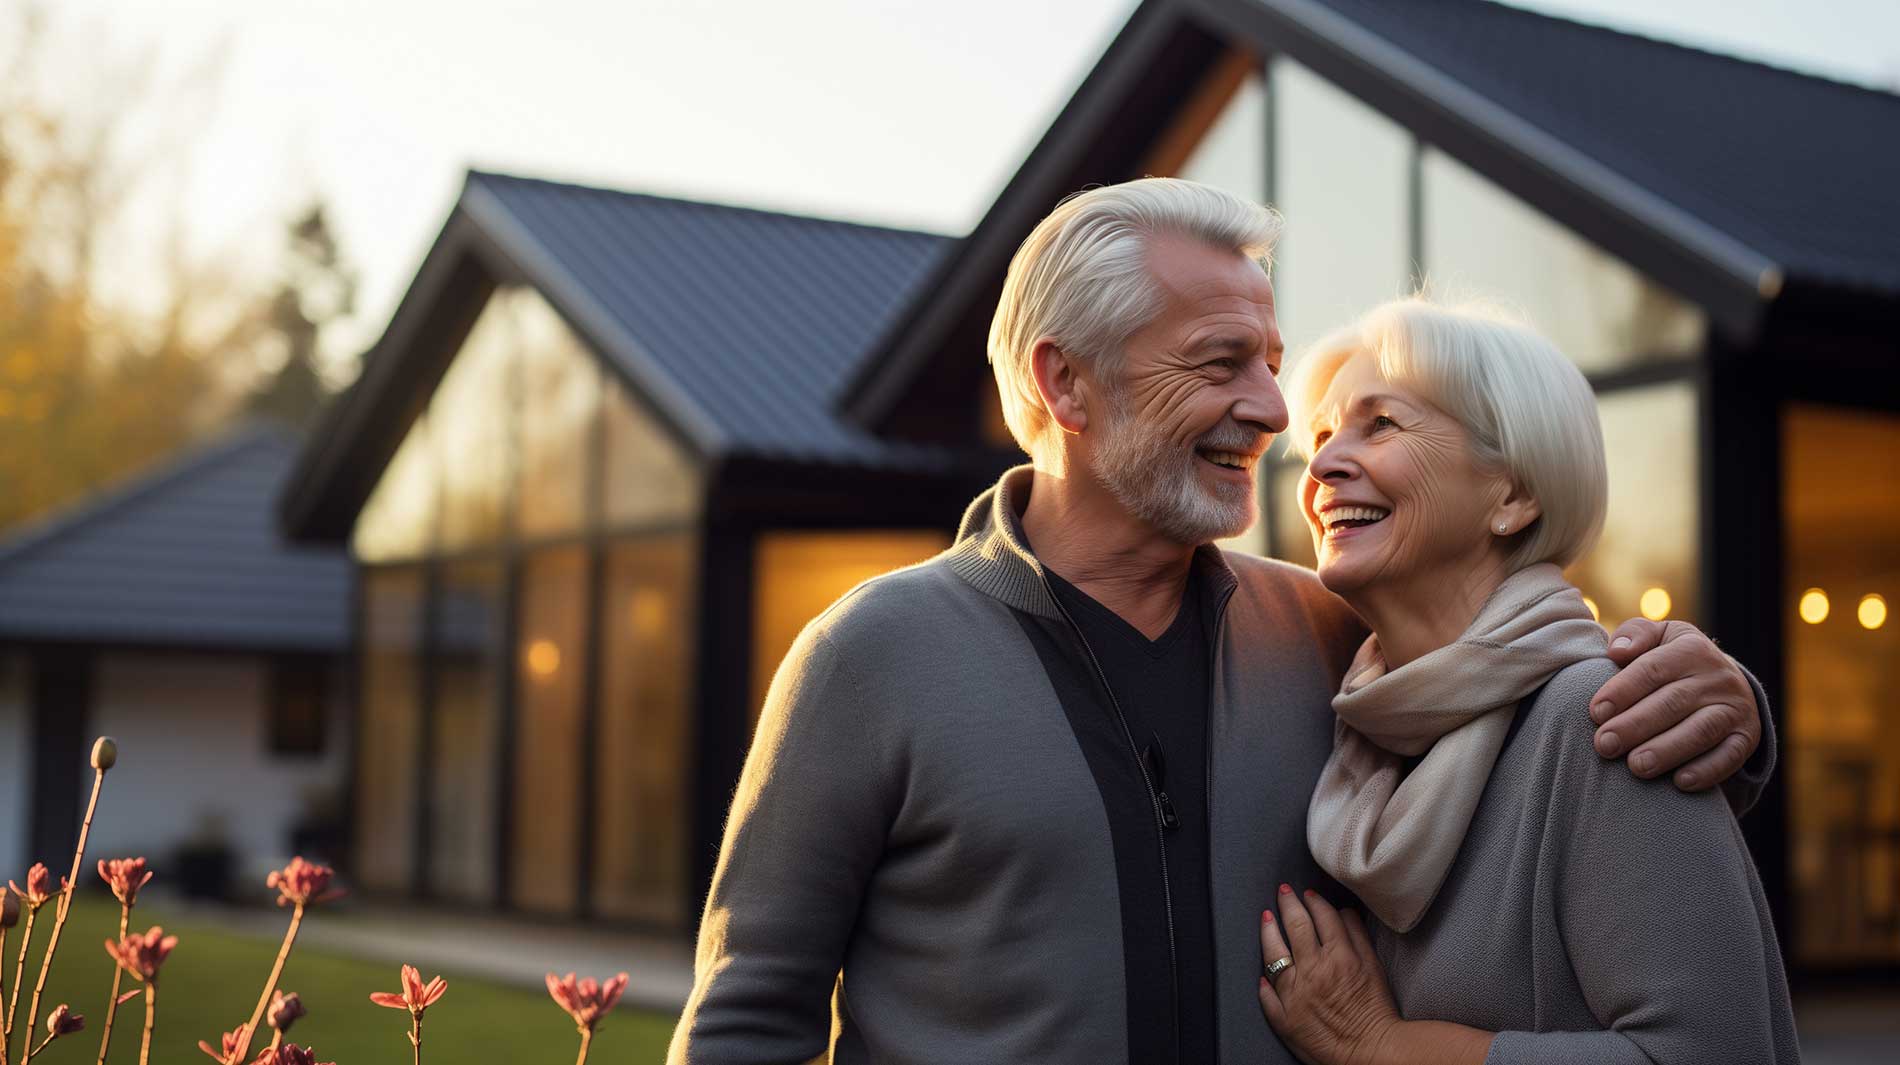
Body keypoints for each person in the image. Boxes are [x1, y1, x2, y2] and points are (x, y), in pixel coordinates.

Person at [668, 178, 1772, 1065]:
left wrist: (1728, 708)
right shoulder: (872, 654)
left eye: (1272, 365)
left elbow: (1514, 678)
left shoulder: (1326, 637)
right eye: (1219, 363)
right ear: (1067, 384)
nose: (1274, 410)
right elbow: (747, 1018)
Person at [1256, 298, 1798, 1064]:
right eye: (1320, 435)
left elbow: (1714, 1051)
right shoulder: (1364, 734)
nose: (1321, 465)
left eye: (1380, 424)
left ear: (1512, 496)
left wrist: (1382, 1047)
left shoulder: (1604, 717)